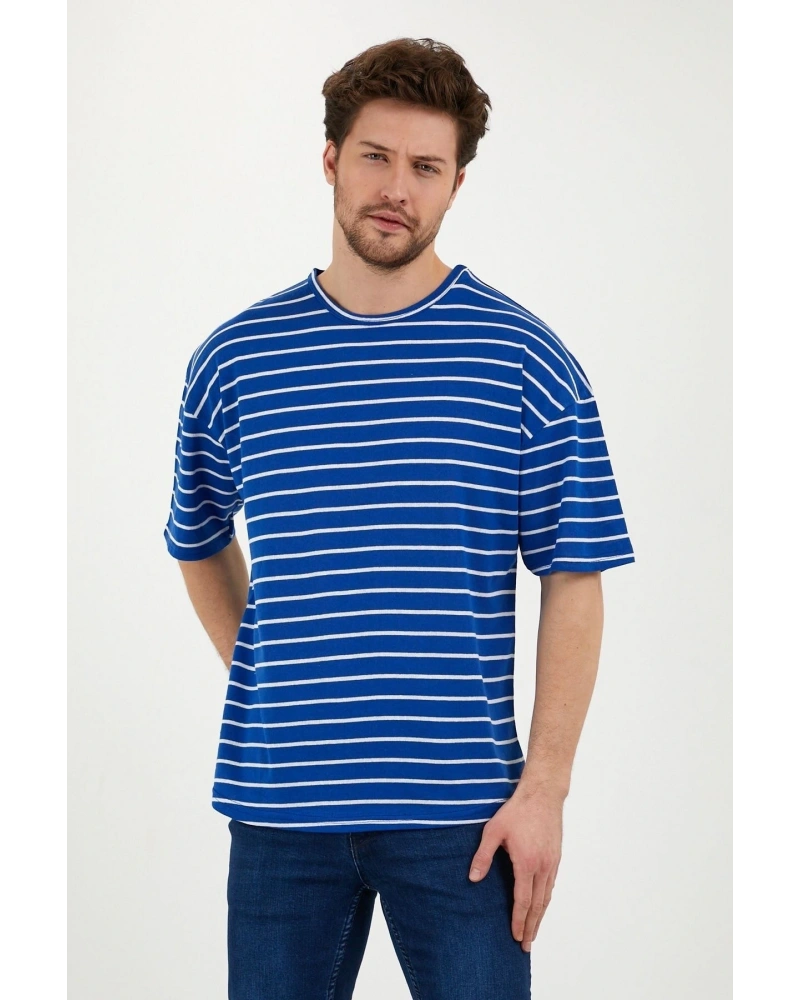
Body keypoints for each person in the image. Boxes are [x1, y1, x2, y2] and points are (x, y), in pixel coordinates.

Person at [163, 36, 635, 1000]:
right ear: (330, 158)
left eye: (426, 166)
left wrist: (544, 791)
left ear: (456, 184)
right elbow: (199, 539)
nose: (396, 188)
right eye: (376, 156)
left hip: (466, 819)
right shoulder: (236, 360)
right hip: (279, 814)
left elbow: (575, 575)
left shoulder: (523, 359)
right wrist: (273, 673)